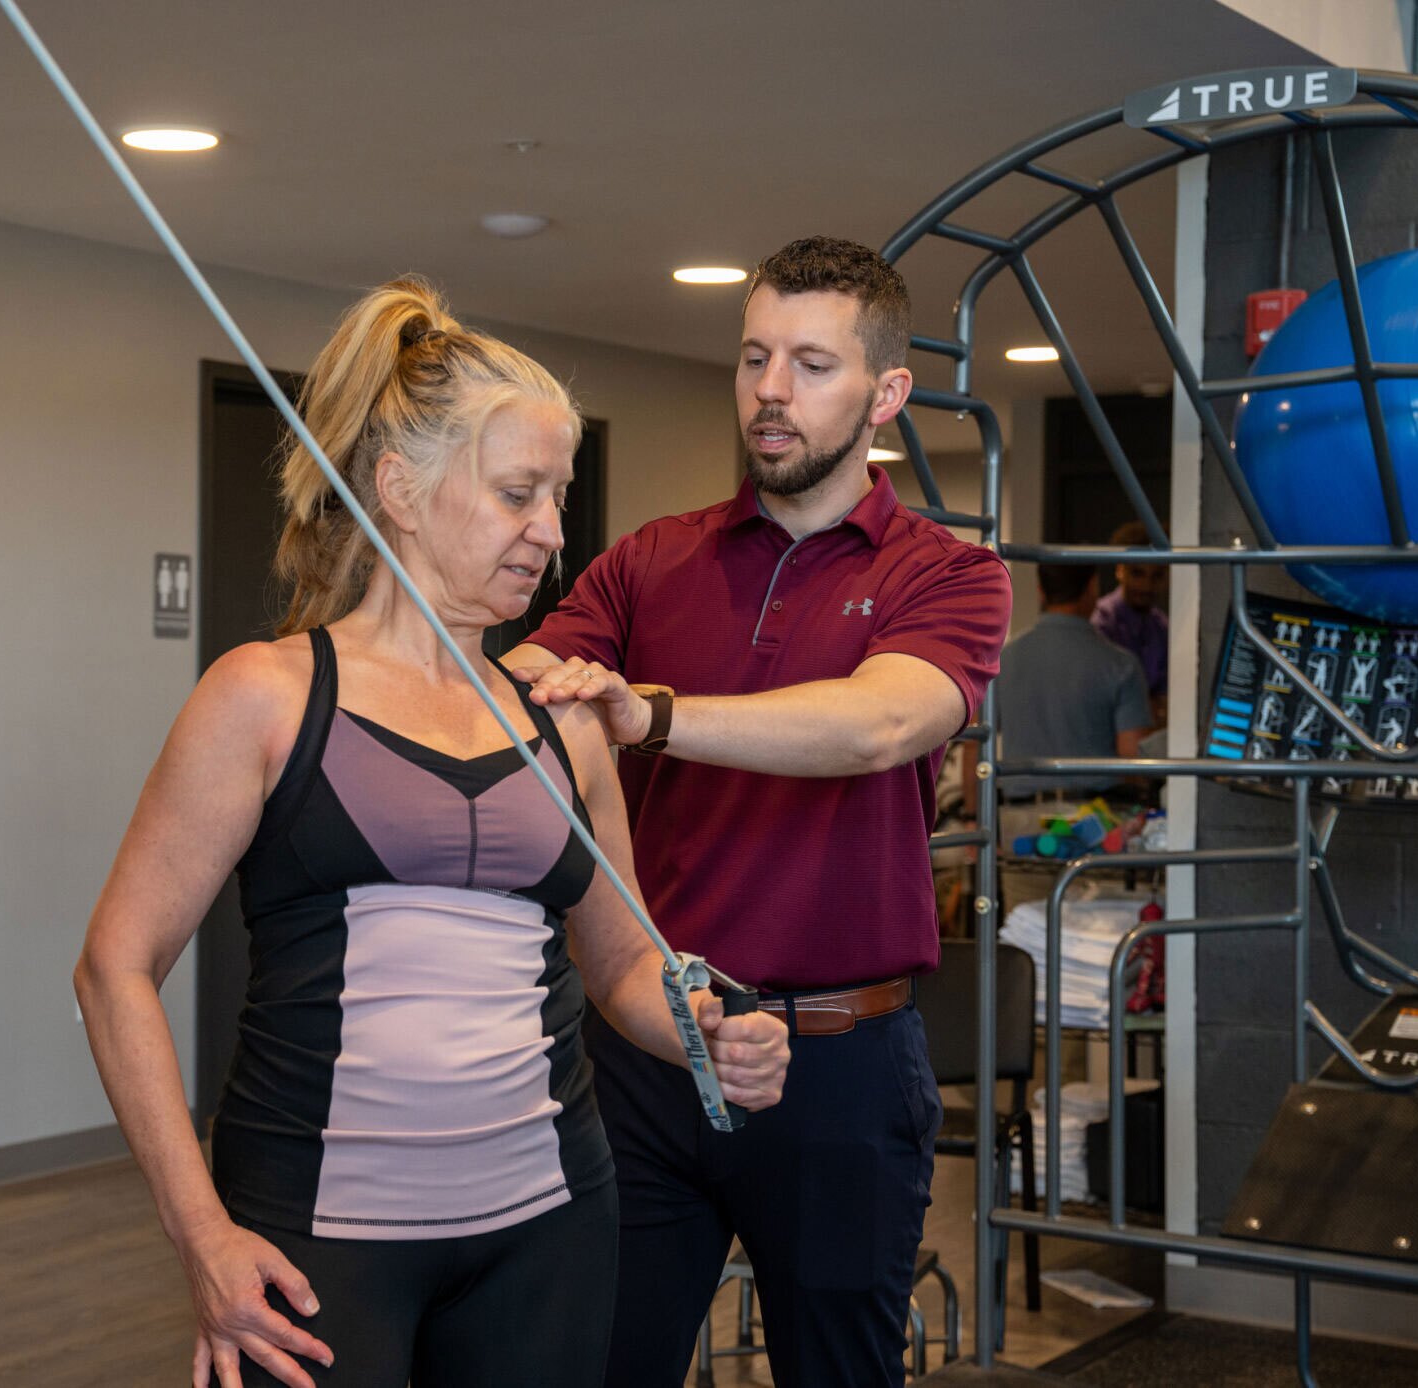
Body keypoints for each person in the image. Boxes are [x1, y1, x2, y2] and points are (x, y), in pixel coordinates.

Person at [73, 278, 789, 1388]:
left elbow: (621, 962)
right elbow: (114, 966)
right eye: (516, 493)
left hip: (549, 1224)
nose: (549, 532)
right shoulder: (263, 697)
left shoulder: (564, 717)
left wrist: (705, 1029)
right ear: (399, 488)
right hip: (316, 1238)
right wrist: (200, 1235)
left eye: (557, 495)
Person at [506, 236, 1012, 1387]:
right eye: (753, 357)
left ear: (886, 393)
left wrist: (651, 716)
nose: (770, 391)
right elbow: (515, 694)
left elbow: (880, 723)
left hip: (836, 1063)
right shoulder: (647, 561)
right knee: (595, 1363)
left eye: (811, 363)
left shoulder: (951, 573)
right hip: (645, 1052)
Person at [996, 563, 1153, 803]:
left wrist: (972, 818)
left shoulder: (1002, 660)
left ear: (1040, 591)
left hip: (1018, 817)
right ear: (1092, 587)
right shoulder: (1120, 664)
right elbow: (1133, 756)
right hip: (1096, 819)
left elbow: (975, 746)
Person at [1091, 520, 1169, 721]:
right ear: (1120, 570)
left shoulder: (1162, 627)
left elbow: (1167, 699)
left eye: (1157, 575)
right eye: (1137, 573)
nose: (1146, 585)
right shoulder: (1100, 622)